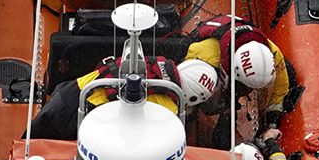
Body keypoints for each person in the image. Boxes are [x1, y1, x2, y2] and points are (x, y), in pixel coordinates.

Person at [26, 54, 221, 141]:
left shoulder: (151, 63)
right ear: (194, 98)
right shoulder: (168, 110)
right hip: (82, 118)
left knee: (22, 155)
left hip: (68, 93)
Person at [183, 15, 297, 130]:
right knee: (202, 104)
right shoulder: (204, 55)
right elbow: (187, 78)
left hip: (231, 51)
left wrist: (272, 119)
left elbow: (280, 89)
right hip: (211, 56)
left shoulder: (273, 55)